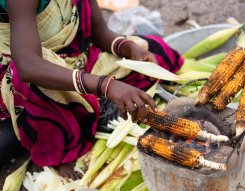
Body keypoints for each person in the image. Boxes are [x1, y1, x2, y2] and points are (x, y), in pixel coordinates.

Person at [0, 0, 183, 179]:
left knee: (156, 50)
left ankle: (89, 107)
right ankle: (62, 150)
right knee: (30, 87)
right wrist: (105, 85)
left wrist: (128, 48)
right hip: (37, 75)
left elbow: (99, 31)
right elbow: (27, 66)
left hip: (80, 59)